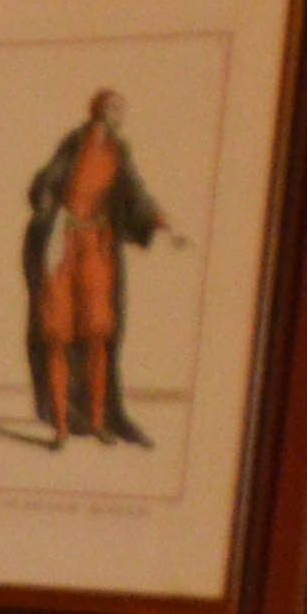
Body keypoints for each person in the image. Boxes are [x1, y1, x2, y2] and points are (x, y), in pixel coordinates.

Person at [20, 86, 178, 446]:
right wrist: (47, 206)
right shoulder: (75, 143)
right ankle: (60, 425)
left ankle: (97, 421)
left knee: (97, 334)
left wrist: (159, 219)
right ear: (100, 111)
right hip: (62, 244)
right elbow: (46, 181)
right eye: (116, 108)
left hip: (96, 247)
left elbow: (135, 192)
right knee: (57, 334)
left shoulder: (119, 151)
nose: (122, 114)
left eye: (122, 109)